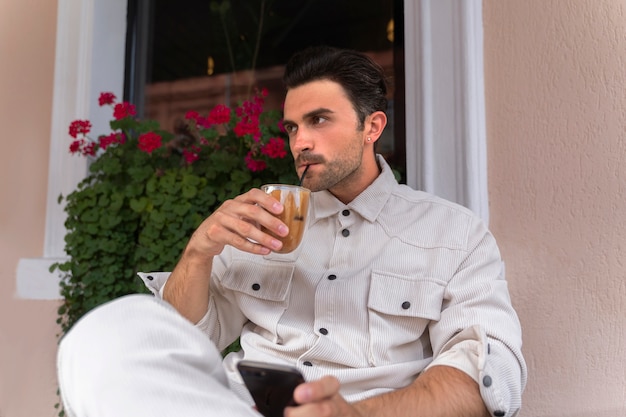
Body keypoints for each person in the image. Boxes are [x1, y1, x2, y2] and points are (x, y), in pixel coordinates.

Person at [57, 46, 527, 417]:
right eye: (291, 126)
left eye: (319, 120)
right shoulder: (264, 216)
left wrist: (356, 415)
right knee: (106, 333)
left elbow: (486, 372)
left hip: (369, 412)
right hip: (243, 407)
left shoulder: (454, 233)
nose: (299, 141)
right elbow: (183, 337)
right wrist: (199, 251)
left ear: (372, 127)